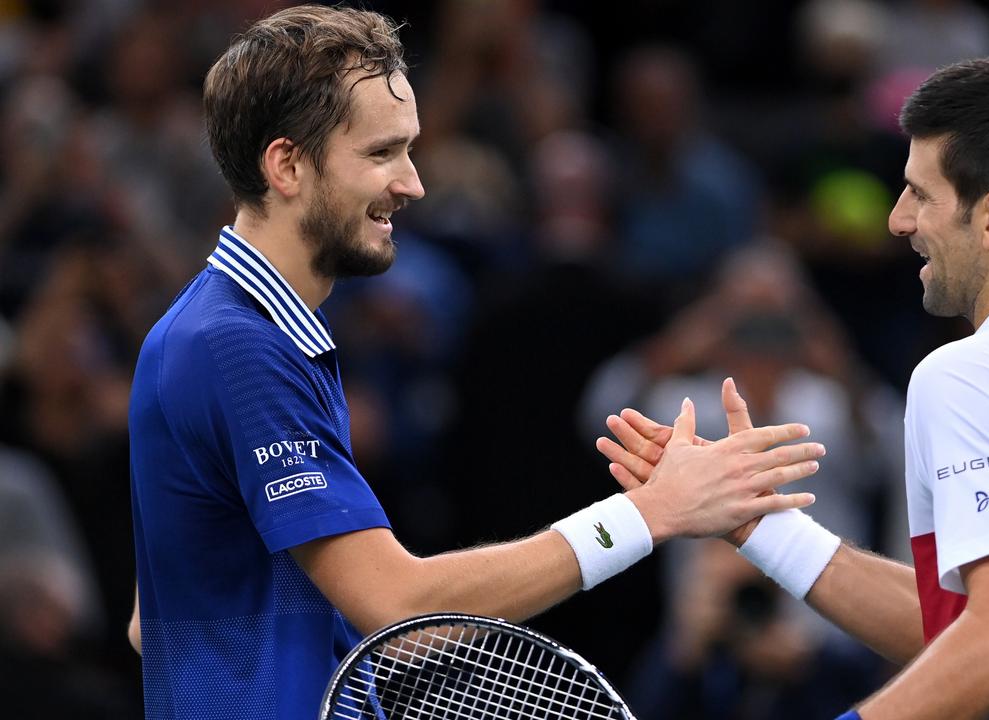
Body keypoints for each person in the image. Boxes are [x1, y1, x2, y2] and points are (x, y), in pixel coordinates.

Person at [126, 7, 826, 720]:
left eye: (410, 151)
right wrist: (649, 514)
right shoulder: (238, 347)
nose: (413, 183)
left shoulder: (216, 329)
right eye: (381, 154)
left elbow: (159, 614)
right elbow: (395, 604)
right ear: (286, 165)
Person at [598, 55, 989, 719]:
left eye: (920, 193)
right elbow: (984, 629)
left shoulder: (973, 373)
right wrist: (759, 526)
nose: (897, 220)